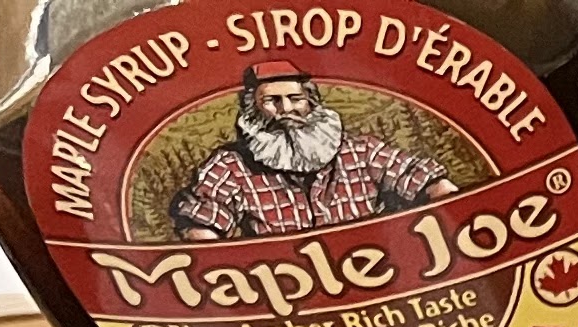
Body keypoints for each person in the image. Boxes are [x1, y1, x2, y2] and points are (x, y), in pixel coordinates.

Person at [169, 64, 457, 239]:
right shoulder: (231, 165)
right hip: (284, 299)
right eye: (272, 101)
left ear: (312, 103)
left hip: (375, 285)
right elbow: (201, 224)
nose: (286, 110)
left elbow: (422, 179)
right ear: (251, 109)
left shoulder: (360, 151)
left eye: (295, 98)